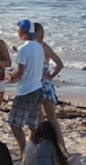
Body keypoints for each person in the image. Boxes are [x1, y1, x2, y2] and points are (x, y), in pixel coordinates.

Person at [9, 19, 47, 155]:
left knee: (14, 123)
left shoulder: (23, 49)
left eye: (18, 30)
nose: (17, 33)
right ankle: (30, 153)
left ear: (23, 32)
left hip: (26, 90)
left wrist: (11, 78)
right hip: (37, 88)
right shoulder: (39, 47)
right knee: (33, 124)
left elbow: (20, 72)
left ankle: (23, 151)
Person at [34, 23, 68, 155]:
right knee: (38, 119)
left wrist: (51, 75)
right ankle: (41, 148)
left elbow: (59, 63)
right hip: (34, 85)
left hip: (45, 85)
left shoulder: (44, 47)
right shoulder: (30, 47)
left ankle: (62, 148)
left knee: (52, 118)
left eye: (37, 33)